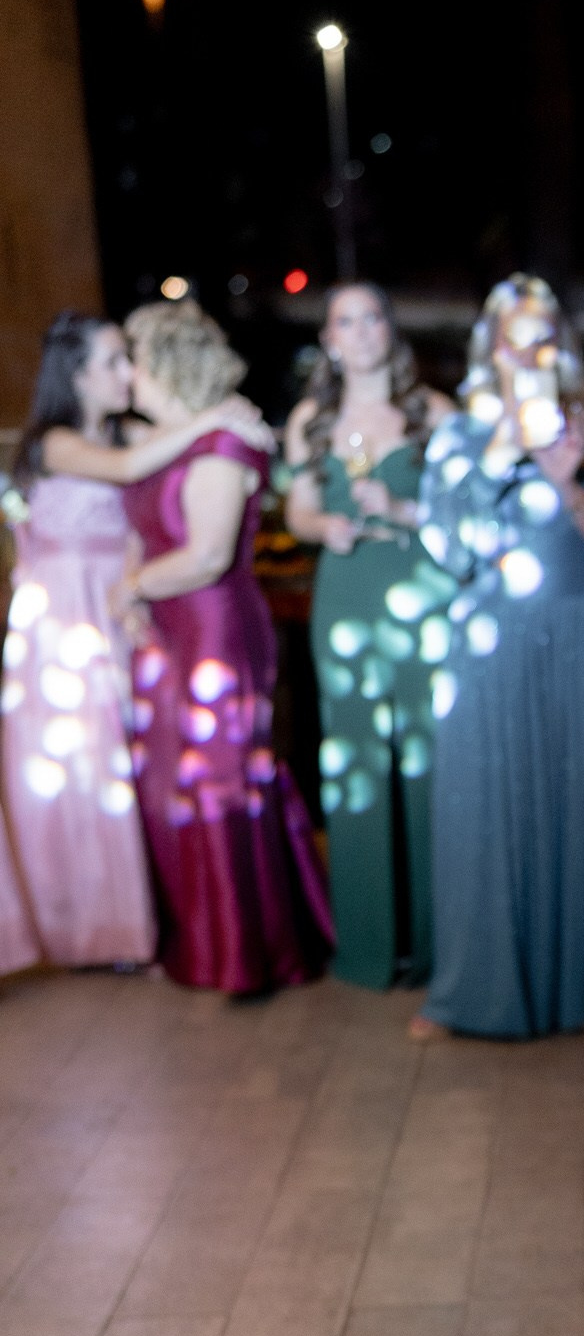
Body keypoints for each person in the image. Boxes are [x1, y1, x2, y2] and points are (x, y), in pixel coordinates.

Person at [410, 275, 584, 1042]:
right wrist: (498, 455)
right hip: (490, 640)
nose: (527, 351)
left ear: (560, 345)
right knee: (482, 808)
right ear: (489, 347)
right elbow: (448, 551)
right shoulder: (458, 436)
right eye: (512, 337)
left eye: (541, 334)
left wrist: (565, 483)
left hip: (582, 627)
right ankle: (472, 993)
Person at [3, 312, 270, 970]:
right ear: (78, 376)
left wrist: (232, 426)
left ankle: (144, 919)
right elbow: (125, 469)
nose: (128, 373)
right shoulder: (56, 443)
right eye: (114, 361)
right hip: (66, 617)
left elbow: (168, 477)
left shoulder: (134, 432)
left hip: (125, 604)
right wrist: (213, 418)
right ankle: (85, 924)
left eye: (130, 358)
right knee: (83, 765)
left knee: (137, 759)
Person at [115, 302, 332, 995]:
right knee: (168, 780)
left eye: (129, 359)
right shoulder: (161, 440)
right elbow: (142, 533)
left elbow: (207, 556)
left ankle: (245, 953)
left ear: (162, 363)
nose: (122, 373)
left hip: (215, 630)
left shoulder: (225, 442)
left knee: (220, 777)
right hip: (162, 630)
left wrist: (129, 589)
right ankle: (197, 942)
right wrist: (136, 599)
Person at [283, 285, 455, 991]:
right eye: (345, 321)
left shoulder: (433, 412)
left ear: (390, 329)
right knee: (353, 759)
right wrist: (322, 525)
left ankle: (438, 943)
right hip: (347, 594)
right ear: (329, 339)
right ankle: (369, 943)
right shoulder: (311, 419)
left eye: (372, 317)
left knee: (427, 759)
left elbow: (465, 510)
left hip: (421, 592)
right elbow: (297, 509)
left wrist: (406, 510)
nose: (360, 332)